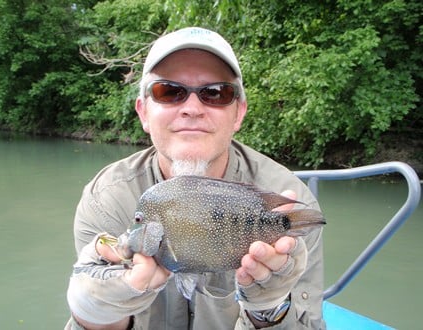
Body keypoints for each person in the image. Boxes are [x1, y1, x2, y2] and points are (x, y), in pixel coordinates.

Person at [65, 27, 325, 330]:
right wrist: (95, 317)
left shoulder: (290, 202)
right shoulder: (107, 199)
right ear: (143, 112)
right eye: (169, 91)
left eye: (215, 93)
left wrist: (268, 310)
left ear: (239, 113)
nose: (192, 108)